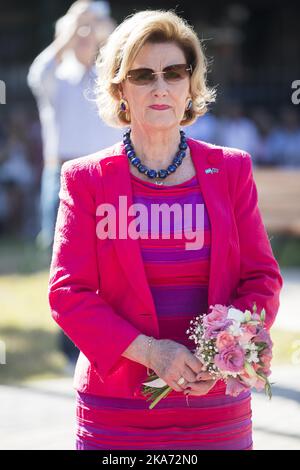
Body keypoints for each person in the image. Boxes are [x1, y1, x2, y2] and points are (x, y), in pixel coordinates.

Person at [48, 9, 283, 450]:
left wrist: (223, 353)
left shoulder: (230, 170)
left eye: (174, 72)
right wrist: (152, 352)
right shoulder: (86, 178)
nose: (160, 87)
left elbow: (261, 279)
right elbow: (68, 293)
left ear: (190, 86)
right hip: (118, 407)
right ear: (120, 88)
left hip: (215, 404)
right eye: (143, 75)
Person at [28, 0, 123, 368]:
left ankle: (104, 340)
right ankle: (69, 349)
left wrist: (102, 28)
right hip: (64, 173)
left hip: (106, 174)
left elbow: (125, 58)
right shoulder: (55, 74)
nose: (85, 35)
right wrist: (72, 26)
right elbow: (38, 71)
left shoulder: (108, 76)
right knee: (66, 261)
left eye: (92, 28)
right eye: (79, 29)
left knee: (111, 259)